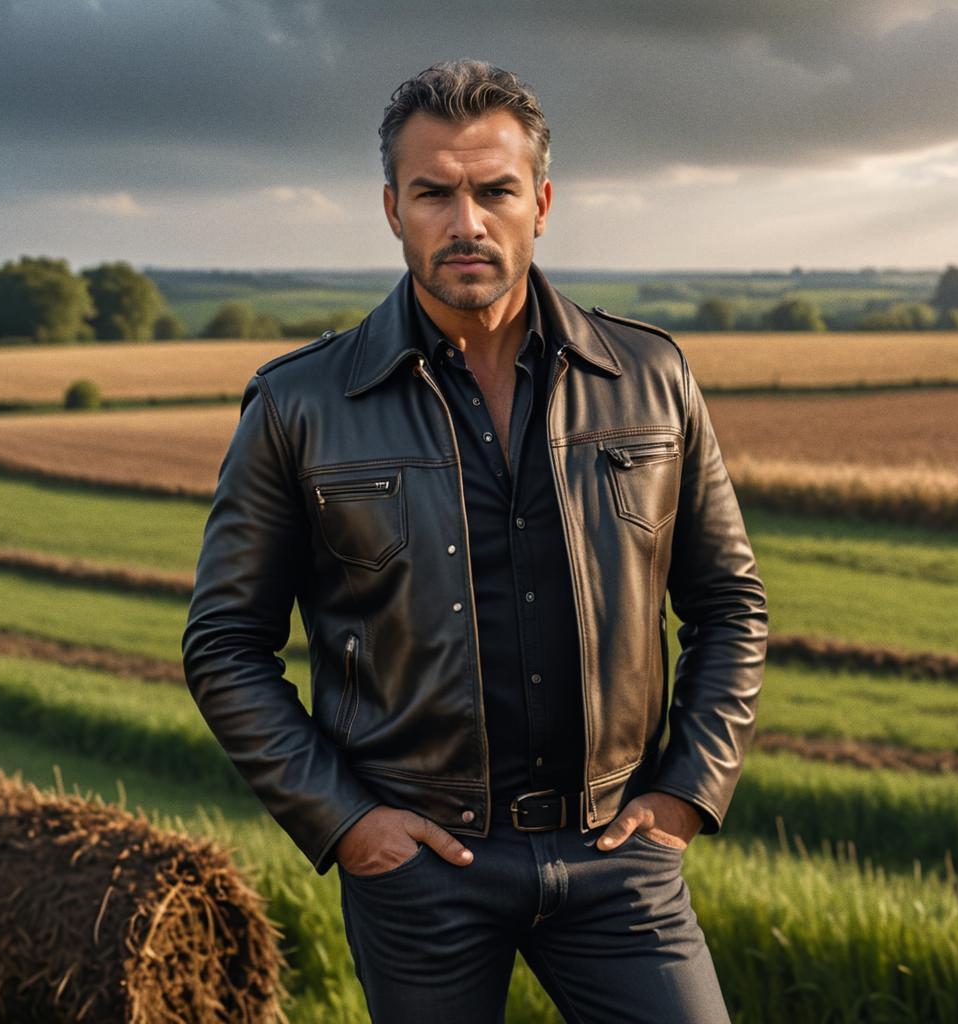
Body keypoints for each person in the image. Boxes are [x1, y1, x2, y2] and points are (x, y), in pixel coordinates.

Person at [182, 58, 767, 1024]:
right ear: (391, 208)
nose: (467, 222)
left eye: (494, 190)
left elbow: (728, 603)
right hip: (421, 870)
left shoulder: (650, 376)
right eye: (434, 193)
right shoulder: (300, 403)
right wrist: (350, 824)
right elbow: (225, 644)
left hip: (618, 857)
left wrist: (686, 796)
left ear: (540, 201)